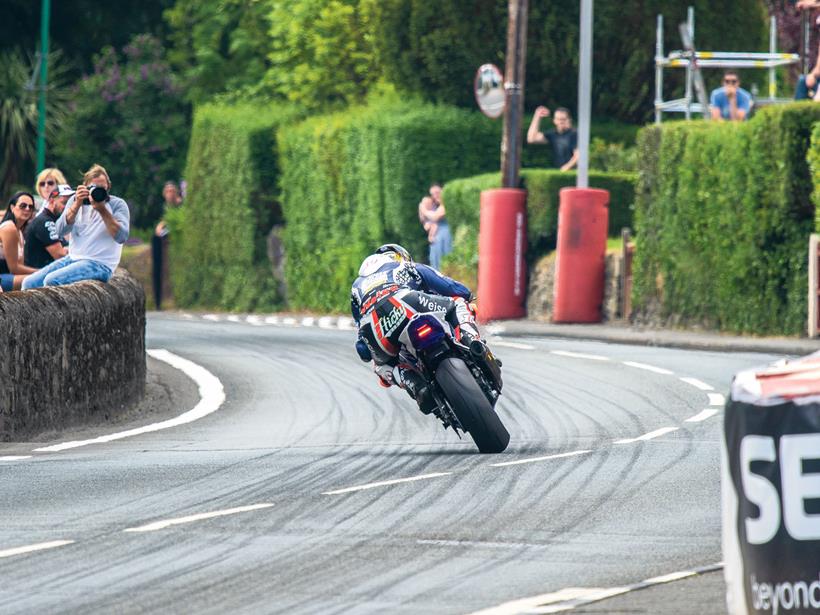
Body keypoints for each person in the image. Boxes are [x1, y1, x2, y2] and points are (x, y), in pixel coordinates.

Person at [350, 243, 482, 414]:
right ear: (399, 256)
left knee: (380, 366)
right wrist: (467, 296)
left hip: (373, 327)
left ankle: (414, 384)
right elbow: (445, 284)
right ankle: (471, 340)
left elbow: (362, 348)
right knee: (457, 303)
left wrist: (379, 360)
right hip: (406, 301)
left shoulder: (356, 288)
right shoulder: (403, 265)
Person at [23, 164, 130, 289]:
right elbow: (59, 231)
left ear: (108, 188)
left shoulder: (117, 204)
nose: (98, 192)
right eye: (93, 188)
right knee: (29, 283)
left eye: (103, 189)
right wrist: (76, 205)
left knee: (52, 280)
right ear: (85, 188)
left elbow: (121, 237)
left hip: (100, 264)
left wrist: (102, 210)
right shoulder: (75, 201)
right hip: (73, 258)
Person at [24, 184, 72, 269]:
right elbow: (60, 255)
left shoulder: (55, 220)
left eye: (70, 203)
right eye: (64, 203)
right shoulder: (45, 221)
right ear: (52, 201)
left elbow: (67, 247)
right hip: (37, 273)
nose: (68, 207)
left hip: (46, 271)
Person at [151, 180, 183, 309]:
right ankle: (157, 302)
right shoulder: (163, 207)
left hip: (176, 232)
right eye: (167, 192)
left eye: (172, 191)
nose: (170, 194)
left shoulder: (180, 205)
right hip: (164, 234)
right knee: (155, 239)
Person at [0, 192, 38, 291]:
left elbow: (20, 267)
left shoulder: (19, 232)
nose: (27, 209)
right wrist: (43, 271)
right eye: (23, 206)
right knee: (39, 280)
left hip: (7, 276)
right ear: (12, 208)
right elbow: (14, 268)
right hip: (2, 278)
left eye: (31, 207)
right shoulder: (9, 228)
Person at [527, 105, 579, 171]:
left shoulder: (575, 134)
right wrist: (537, 116)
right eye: (558, 119)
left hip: (573, 173)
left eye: (563, 119)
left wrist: (566, 168)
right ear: (554, 120)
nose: (561, 122)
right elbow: (531, 139)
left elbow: (578, 156)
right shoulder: (552, 134)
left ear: (569, 120)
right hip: (558, 171)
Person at [418, 183, 452, 270]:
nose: (435, 196)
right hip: (437, 239)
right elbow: (427, 223)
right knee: (436, 262)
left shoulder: (446, 204)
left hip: (446, 236)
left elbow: (435, 217)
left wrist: (423, 210)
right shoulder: (438, 207)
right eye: (432, 194)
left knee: (446, 260)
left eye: (437, 192)